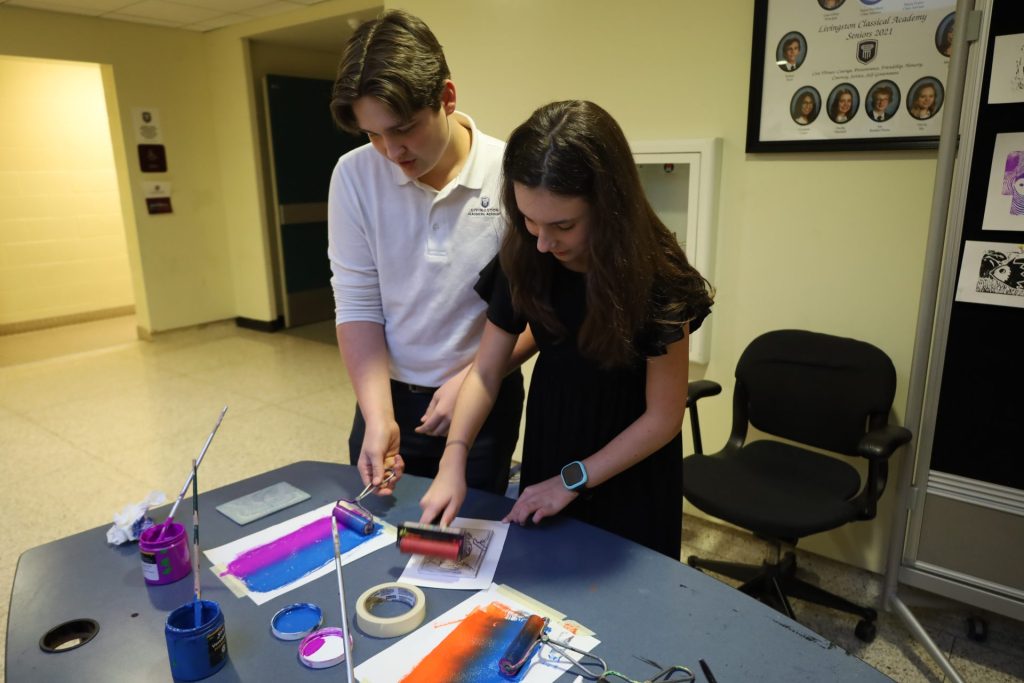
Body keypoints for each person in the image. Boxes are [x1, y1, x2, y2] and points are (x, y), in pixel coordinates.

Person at [418, 100, 714, 558]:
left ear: (609, 204)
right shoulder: (527, 253)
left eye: (562, 225)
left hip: (629, 457)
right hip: (553, 434)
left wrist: (571, 480)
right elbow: (485, 372)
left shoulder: (658, 277)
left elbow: (663, 417)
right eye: (528, 219)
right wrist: (453, 458)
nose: (542, 241)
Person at [327, 10, 533, 498]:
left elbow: (539, 312)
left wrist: (474, 377)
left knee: (468, 540)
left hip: (483, 391)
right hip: (385, 394)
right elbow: (357, 305)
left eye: (404, 129)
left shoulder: (513, 174)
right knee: (377, 529)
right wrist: (379, 416)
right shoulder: (354, 177)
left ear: (447, 97)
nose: (391, 151)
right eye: (373, 135)